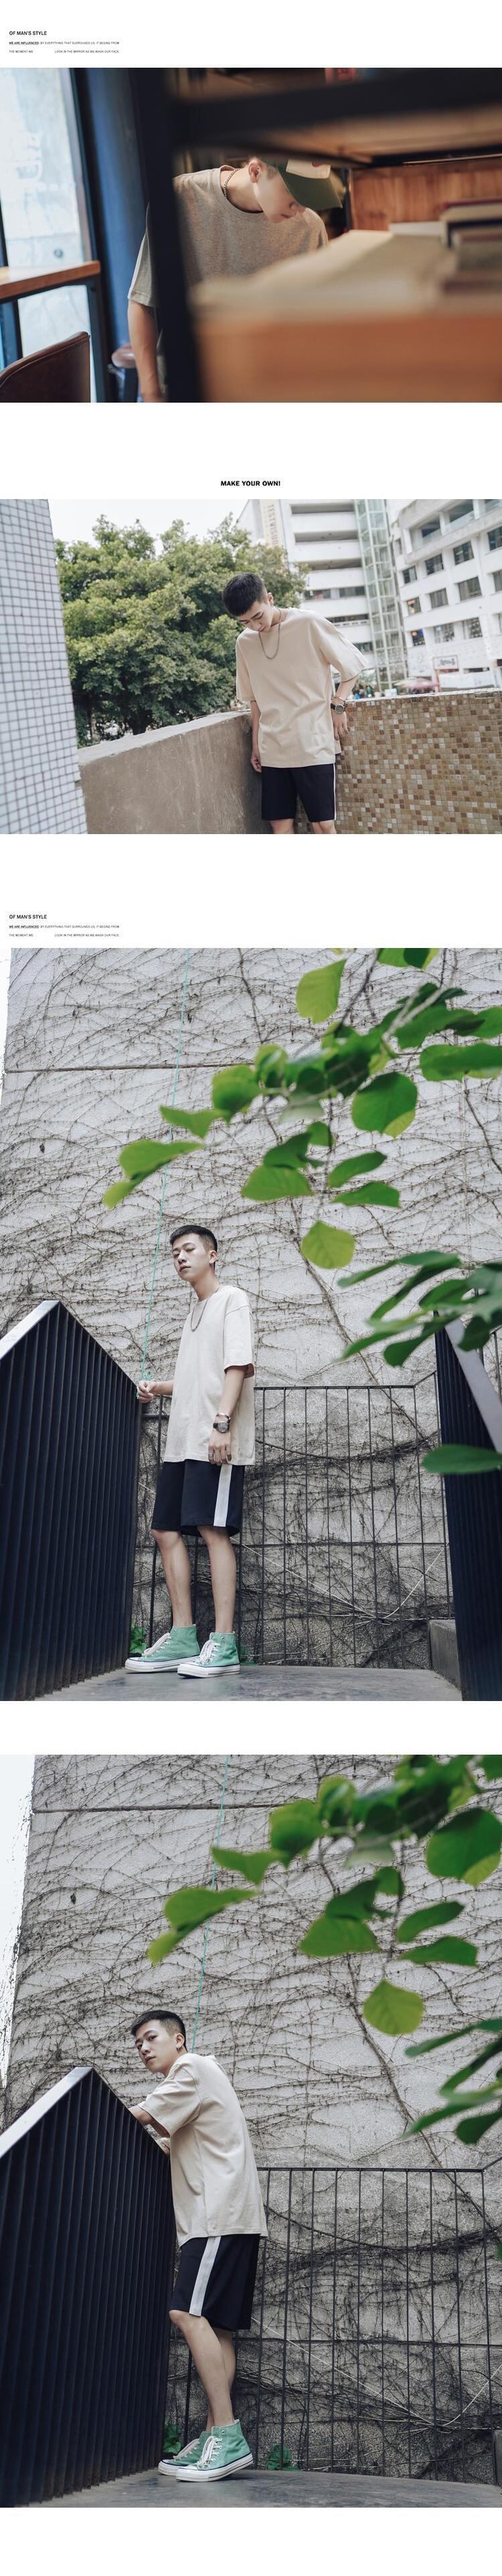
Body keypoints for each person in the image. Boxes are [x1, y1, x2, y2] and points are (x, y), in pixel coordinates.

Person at [130, 2005, 267, 2484]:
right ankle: (214, 2438)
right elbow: (175, 2137)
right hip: (234, 2217)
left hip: (216, 2217)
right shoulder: (200, 2083)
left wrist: (99, 2119)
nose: (143, 2048)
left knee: (185, 2313)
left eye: (151, 2038)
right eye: (138, 2044)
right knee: (218, 2329)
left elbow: (142, 2115)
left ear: (179, 2039)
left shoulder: (190, 2069)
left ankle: (226, 2433)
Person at [126, 1222, 254, 1677]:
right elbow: (197, 1377)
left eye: (189, 1249)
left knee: (213, 1530)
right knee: (164, 1530)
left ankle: (224, 1644)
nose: (180, 1257)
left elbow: (236, 1366)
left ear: (212, 1255)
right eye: (175, 1252)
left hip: (213, 1438)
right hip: (181, 1442)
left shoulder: (232, 1299)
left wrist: (222, 1424)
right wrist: (157, 1387)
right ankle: (183, 1638)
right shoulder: (194, 1313)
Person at [127, 158, 342, 401]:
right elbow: (142, 303)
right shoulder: (179, 199)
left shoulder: (310, 228)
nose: (301, 207)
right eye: (295, 192)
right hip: (190, 385)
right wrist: (151, 393)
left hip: (274, 388)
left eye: (310, 196)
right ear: (256, 171)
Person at [222, 571, 365, 835]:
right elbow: (255, 700)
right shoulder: (244, 643)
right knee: (280, 826)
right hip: (273, 748)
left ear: (269, 599)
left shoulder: (308, 623)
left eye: (258, 616)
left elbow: (352, 666)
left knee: (323, 825)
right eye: (245, 622)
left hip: (313, 742)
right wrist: (256, 744)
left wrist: (338, 704)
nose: (255, 626)